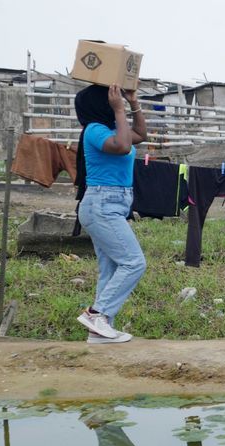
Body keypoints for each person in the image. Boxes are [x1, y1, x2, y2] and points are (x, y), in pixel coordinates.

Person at [73, 83, 147, 344]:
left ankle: (99, 333)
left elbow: (139, 134)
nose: (115, 102)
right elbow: (124, 147)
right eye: (110, 100)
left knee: (111, 269)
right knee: (134, 262)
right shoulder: (94, 131)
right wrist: (119, 109)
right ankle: (97, 314)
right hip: (101, 204)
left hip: (112, 204)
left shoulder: (115, 129)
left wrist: (132, 102)